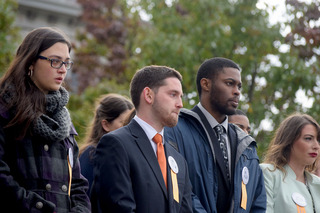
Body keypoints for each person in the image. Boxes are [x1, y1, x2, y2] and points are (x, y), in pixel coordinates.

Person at [0, 27, 91, 212]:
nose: (63, 70)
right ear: (31, 61)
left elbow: (78, 184)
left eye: (67, 63)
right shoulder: (6, 107)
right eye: (55, 61)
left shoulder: (63, 119)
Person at [165, 57, 266, 212]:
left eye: (239, 86)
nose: (237, 91)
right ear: (206, 84)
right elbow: (178, 189)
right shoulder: (175, 129)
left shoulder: (247, 146)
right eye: (229, 83)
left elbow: (257, 203)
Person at [91, 65, 193, 213]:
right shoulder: (116, 144)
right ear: (148, 95)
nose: (180, 104)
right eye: (173, 94)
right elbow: (118, 208)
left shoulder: (177, 159)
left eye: (180, 96)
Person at [260, 113, 320, 212]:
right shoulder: (268, 173)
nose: (316, 146)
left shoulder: (317, 183)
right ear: (289, 141)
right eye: (308, 138)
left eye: (318, 140)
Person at [79, 93, 133, 195]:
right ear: (106, 125)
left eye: (131, 123)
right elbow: (83, 198)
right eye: (123, 123)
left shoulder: (127, 155)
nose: (129, 128)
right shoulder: (91, 155)